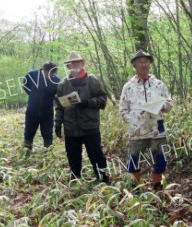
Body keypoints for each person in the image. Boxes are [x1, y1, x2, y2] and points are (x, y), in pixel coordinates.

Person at [119, 49, 173, 191]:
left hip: (158, 129)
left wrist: (161, 104)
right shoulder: (128, 87)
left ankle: (157, 187)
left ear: (150, 64)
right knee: (134, 161)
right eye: (140, 62)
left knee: (160, 160)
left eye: (146, 62)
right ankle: (136, 189)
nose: (144, 65)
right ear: (135, 65)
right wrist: (132, 121)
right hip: (137, 131)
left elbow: (169, 104)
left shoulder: (159, 85)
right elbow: (123, 109)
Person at [54, 51, 109, 183]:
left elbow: (103, 100)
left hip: (90, 126)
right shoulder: (63, 85)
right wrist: (57, 123)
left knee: (96, 156)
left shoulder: (92, 81)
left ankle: (104, 180)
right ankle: (75, 182)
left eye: (77, 62)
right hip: (70, 128)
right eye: (71, 63)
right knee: (73, 158)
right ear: (67, 67)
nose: (74, 65)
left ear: (83, 63)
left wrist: (88, 103)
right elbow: (60, 106)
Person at [22, 62, 60, 154]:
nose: (49, 76)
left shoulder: (57, 80)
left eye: (52, 74)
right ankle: (27, 153)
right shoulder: (31, 75)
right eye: (48, 73)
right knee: (29, 133)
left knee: (48, 135)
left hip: (47, 112)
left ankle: (47, 155)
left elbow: (57, 94)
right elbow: (25, 86)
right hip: (32, 111)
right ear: (43, 70)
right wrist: (33, 95)